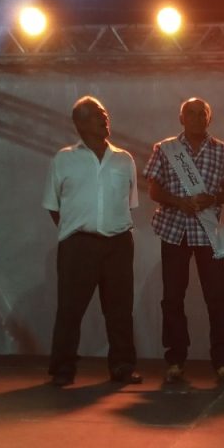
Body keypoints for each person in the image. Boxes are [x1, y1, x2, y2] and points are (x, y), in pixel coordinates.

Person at [43, 96, 141, 387]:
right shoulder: (64, 159)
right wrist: (77, 229)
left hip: (118, 244)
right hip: (78, 245)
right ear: (80, 122)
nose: (105, 117)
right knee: (70, 310)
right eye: (98, 113)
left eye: (105, 113)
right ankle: (63, 369)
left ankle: (122, 366)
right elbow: (53, 205)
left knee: (120, 310)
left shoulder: (124, 159)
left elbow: (130, 202)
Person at [144, 97, 224, 385]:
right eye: (191, 113)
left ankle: (222, 359)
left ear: (209, 119)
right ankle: (175, 359)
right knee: (173, 297)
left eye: (203, 114)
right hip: (174, 231)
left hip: (207, 233)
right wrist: (178, 201)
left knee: (217, 297)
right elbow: (153, 190)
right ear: (181, 118)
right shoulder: (166, 149)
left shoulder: (222, 150)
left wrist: (212, 198)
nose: (197, 118)